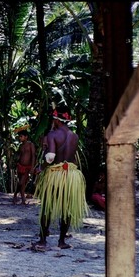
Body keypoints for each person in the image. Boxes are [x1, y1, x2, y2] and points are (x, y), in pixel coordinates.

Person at [33, 106, 89, 249]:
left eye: (53, 119)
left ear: (57, 120)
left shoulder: (53, 135)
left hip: (55, 174)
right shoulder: (74, 136)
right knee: (67, 208)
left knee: (47, 206)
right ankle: (62, 241)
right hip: (71, 176)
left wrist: (40, 167)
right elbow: (72, 159)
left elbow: (51, 157)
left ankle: (43, 240)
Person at [12, 130, 36, 205]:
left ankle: (16, 194)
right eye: (19, 136)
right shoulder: (20, 146)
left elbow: (33, 156)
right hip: (20, 166)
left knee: (21, 182)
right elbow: (18, 156)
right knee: (21, 183)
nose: (20, 138)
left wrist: (32, 167)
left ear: (26, 137)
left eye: (21, 136)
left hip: (27, 167)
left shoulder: (30, 145)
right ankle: (22, 199)